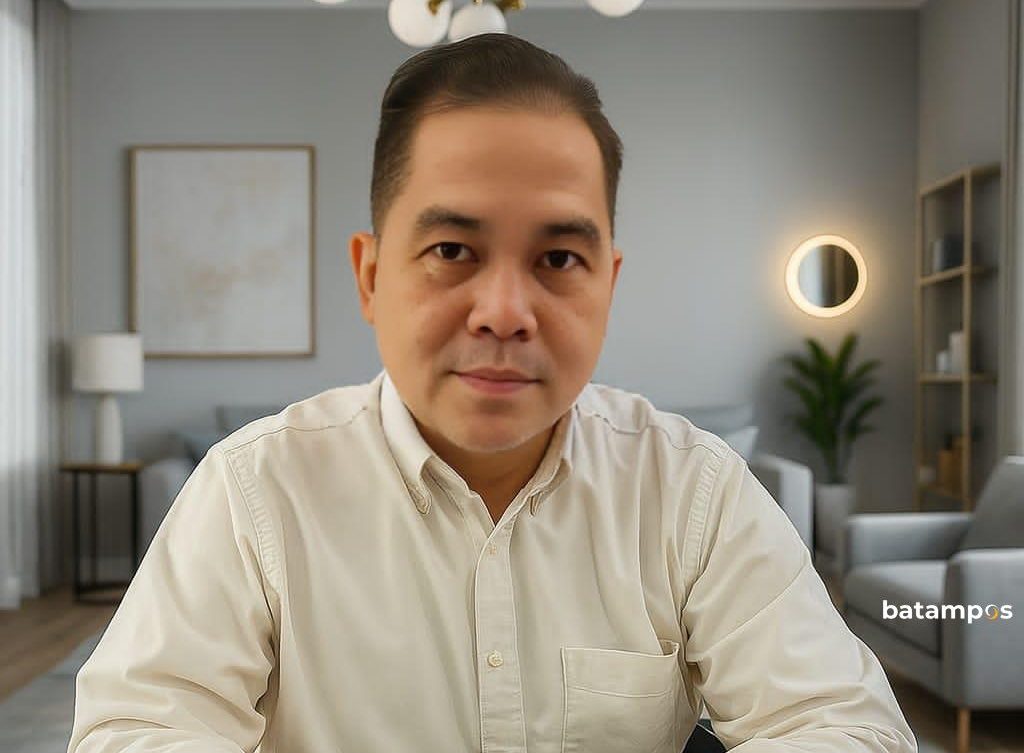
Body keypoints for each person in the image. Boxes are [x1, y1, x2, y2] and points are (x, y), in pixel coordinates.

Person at [67, 33, 917, 753]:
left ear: (607, 284)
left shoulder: (693, 491)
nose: (505, 312)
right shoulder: (255, 491)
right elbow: (135, 729)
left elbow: (843, 724)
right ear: (371, 276)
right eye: (451, 251)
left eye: (559, 259)